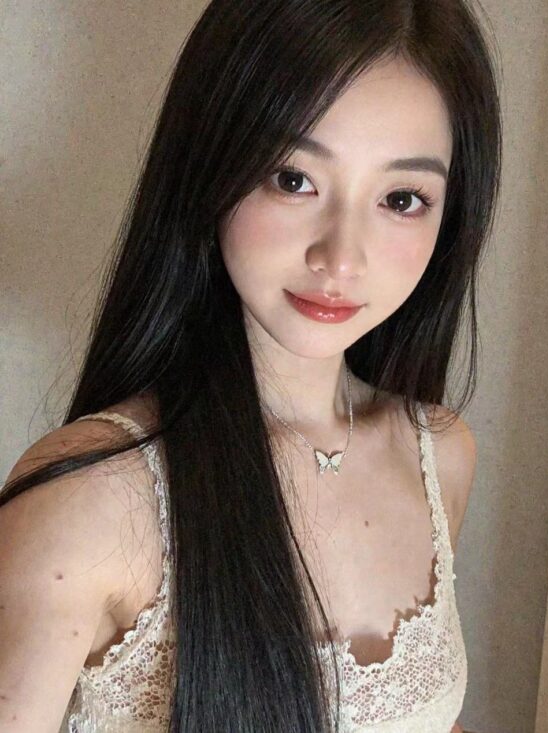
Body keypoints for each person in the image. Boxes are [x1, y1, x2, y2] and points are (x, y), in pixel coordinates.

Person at [0, 0, 502, 730]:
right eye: (292, 179)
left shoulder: (439, 455)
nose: (341, 258)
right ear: (212, 164)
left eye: (402, 198)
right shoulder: (89, 503)